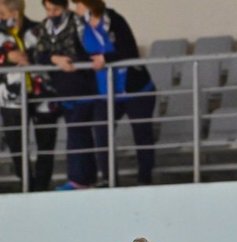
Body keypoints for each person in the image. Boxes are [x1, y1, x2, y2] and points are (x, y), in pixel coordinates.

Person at [72, 0, 156, 185]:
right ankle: (110, 180)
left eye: (79, 4)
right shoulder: (79, 26)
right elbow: (80, 54)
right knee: (101, 133)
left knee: (142, 134)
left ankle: (145, 179)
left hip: (134, 89)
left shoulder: (114, 19)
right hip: (105, 92)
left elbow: (129, 51)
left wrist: (106, 58)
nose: (76, 8)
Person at [32, 0, 98, 190]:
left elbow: (89, 51)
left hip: (82, 86)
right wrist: (55, 59)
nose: (52, 13)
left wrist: (70, 60)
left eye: (56, 9)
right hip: (60, 88)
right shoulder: (45, 26)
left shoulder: (78, 23)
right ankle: (86, 179)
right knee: (76, 131)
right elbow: (39, 53)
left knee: (77, 132)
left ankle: (78, 179)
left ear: (65, 7)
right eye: (48, 9)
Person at [0, 0, 58, 191]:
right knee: (16, 145)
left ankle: (41, 186)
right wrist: (7, 57)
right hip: (10, 99)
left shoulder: (38, 29)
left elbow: (52, 54)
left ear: (16, 11)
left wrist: (30, 57)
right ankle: (26, 184)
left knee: (46, 143)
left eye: (2, 11)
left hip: (43, 95)